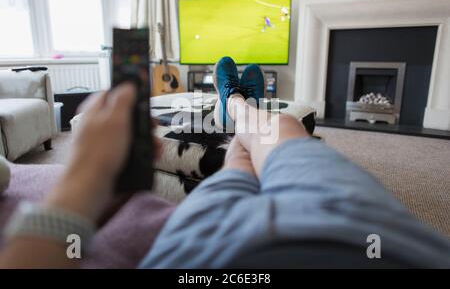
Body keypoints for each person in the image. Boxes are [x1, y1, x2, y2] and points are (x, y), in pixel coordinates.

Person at [1, 57, 450, 269]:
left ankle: (234, 108)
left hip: (200, 252)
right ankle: (241, 107)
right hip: (349, 232)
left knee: (238, 167)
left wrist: (89, 172)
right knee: (284, 133)